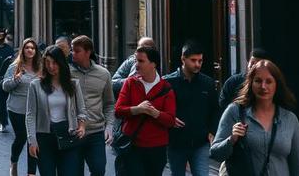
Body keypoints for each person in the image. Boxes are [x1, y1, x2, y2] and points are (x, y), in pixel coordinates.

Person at [210, 59, 299, 176]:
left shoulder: (290, 119)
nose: (263, 86)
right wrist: (232, 139)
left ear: (277, 85)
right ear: (251, 83)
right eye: (258, 81)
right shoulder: (235, 112)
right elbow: (215, 153)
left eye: (269, 81)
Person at [25, 45, 88, 176]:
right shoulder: (35, 85)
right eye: (47, 62)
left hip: (68, 135)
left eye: (54, 62)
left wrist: (81, 126)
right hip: (44, 137)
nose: (51, 66)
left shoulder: (73, 85)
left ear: (61, 63)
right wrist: (32, 141)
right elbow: (30, 115)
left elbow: (81, 110)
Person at [114, 46, 176, 176]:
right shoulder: (130, 83)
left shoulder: (166, 88)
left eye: (141, 61)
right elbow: (118, 111)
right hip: (132, 145)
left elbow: (170, 120)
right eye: (136, 60)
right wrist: (138, 109)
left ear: (153, 64)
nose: (136, 65)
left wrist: (155, 113)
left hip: (156, 148)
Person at [165, 41, 218, 176]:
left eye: (200, 61)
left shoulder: (207, 83)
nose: (197, 64)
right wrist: (170, 119)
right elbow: (159, 109)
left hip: (200, 142)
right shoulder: (169, 82)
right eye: (193, 60)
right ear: (183, 59)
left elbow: (215, 109)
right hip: (176, 143)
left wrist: (212, 131)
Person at [70, 35, 115, 176]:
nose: (73, 53)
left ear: (88, 52)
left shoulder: (103, 74)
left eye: (77, 51)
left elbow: (109, 104)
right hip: (73, 133)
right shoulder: (66, 73)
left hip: (96, 133)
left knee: (99, 170)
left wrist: (109, 127)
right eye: (72, 50)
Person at [2, 37, 42, 176]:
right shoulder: (15, 66)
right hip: (17, 108)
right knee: (21, 137)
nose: (30, 50)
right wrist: (16, 79)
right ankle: (14, 162)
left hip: (35, 110)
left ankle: (31, 173)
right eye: (27, 47)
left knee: (33, 139)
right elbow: (5, 86)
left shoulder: (41, 68)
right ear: (23, 50)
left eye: (32, 48)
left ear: (36, 51)